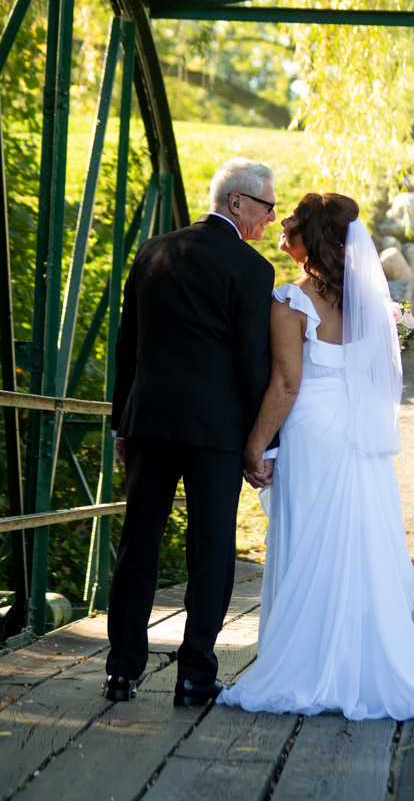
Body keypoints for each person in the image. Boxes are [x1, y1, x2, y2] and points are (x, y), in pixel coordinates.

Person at [218, 193, 414, 720]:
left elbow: (285, 383)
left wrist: (254, 446)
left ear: (314, 239)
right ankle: (358, 661)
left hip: (310, 429)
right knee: (358, 539)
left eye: (294, 225)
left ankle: (302, 664)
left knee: (306, 539)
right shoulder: (369, 302)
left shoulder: (290, 300)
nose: (283, 228)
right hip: (356, 432)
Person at [104, 158, 278, 707]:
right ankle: (195, 674)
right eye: (266, 207)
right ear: (236, 204)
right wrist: (262, 445)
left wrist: (120, 424)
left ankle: (121, 670)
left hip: (150, 422)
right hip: (216, 431)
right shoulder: (251, 271)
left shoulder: (152, 252)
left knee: (139, 544)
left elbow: (127, 345)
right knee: (211, 548)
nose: (270, 219)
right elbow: (253, 365)